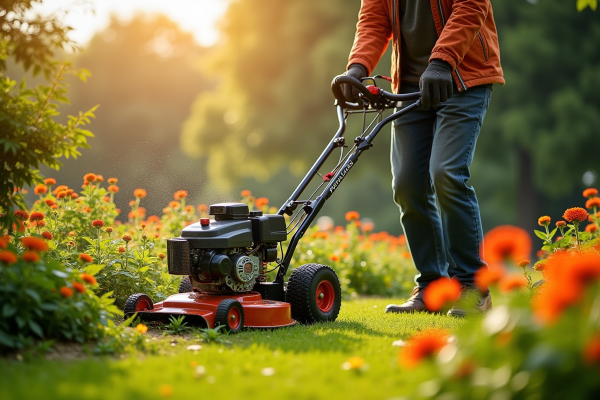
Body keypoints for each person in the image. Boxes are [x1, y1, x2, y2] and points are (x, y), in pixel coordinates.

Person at [342, 0, 504, 316]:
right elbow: (374, 18)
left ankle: (473, 287)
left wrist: (442, 62)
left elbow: (472, 6)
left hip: (462, 76)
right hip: (410, 85)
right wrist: (358, 67)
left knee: (446, 172)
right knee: (407, 184)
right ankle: (431, 287)